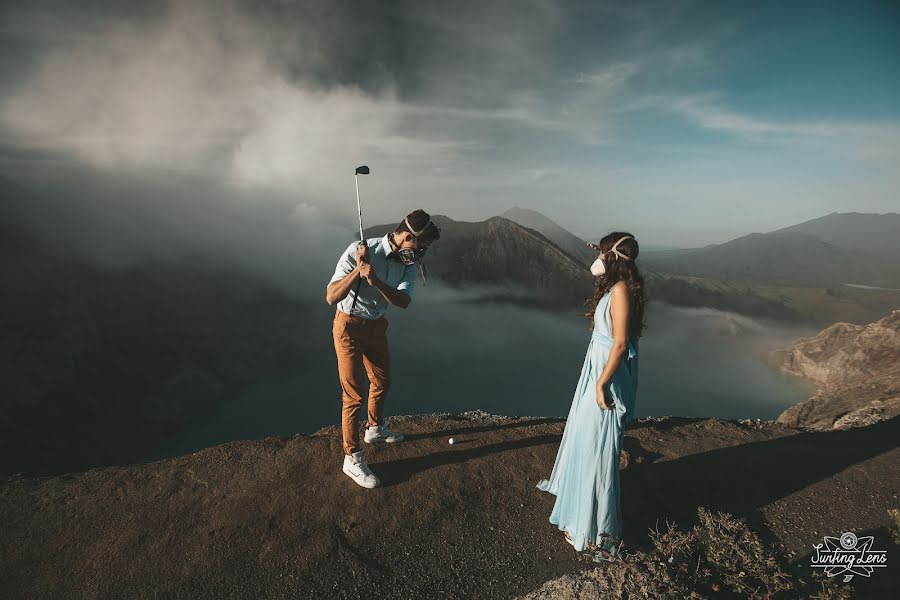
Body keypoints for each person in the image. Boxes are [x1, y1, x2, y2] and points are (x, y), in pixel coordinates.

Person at [536, 232, 645, 561]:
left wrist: (601, 384)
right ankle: (582, 511)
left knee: (598, 447)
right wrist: (601, 248)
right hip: (598, 369)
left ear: (611, 257)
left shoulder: (622, 290)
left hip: (606, 375)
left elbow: (621, 343)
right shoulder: (618, 286)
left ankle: (593, 530)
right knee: (586, 438)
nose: (595, 260)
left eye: (600, 254)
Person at [325, 209, 441, 488]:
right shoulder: (360, 250)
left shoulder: (408, 262)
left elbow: (402, 301)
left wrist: (376, 281)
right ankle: (351, 458)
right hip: (348, 327)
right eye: (421, 245)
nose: (422, 252)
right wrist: (358, 270)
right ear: (405, 236)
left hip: (377, 325)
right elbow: (331, 296)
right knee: (353, 395)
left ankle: (374, 429)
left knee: (382, 380)